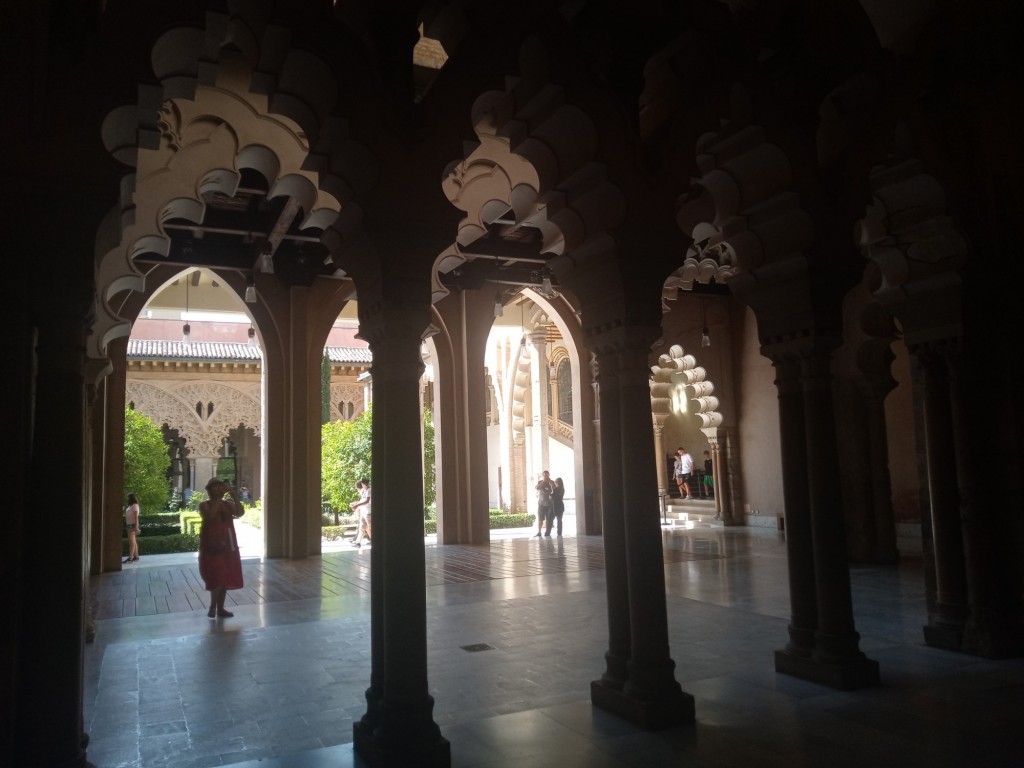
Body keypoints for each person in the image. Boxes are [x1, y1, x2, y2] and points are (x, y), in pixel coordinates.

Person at [198, 477, 245, 618]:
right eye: (215, 487)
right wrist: (219, 498)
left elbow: (240, 512)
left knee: (225, 576)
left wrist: (234, 495)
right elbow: (210, 515)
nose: (218, 489)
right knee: (217, 576)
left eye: (220, 486)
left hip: (228, 545)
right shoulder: (204, 505)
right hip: (212, 546)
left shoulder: (227, 504)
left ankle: (220, 608)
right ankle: (213, 607)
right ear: (209, 490)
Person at [350, 478, 371, 547]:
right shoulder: (364, 491)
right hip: (364, 512)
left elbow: (367, 501)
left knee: (370, 528)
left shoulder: (369, 490)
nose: (362, 485)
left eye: (363, 483)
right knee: (362, 527)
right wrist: (355, 503)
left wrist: (357, 505)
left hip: (368, 512)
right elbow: (362, 500)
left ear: (364, 484)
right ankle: (358, 542)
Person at [534, 470, 553, 536]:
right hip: (541, 504)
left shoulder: (551, 482)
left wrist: (551, 483)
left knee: (548, 519)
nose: (546, 476)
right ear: (542, 476)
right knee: (540, 519)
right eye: (544, 475)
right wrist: (543, 482)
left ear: (549, 475)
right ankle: (539, 532)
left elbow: (554, 490)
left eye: (547, 475)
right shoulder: (540, 482)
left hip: (549, 504)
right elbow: (537, 488)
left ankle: (547, 532)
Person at [123, 493, 141, 563]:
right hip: (129, 524)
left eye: (128, 497)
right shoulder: (130, 506)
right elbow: (127, 515)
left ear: (131, 498)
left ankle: (130, 558)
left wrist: (136, 527)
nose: (127, 499)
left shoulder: (135, 505)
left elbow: (136, 517)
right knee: (133, 541)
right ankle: (136, 556)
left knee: (131, 542)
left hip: (132, 525)